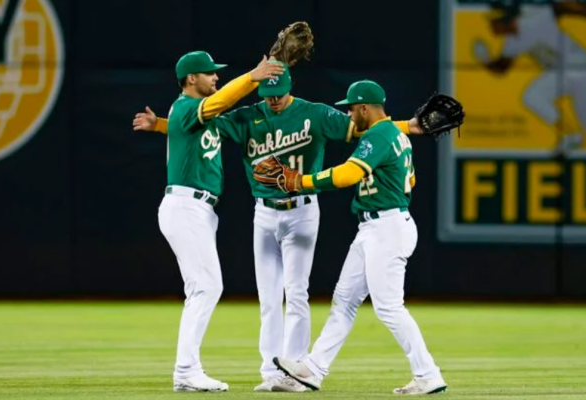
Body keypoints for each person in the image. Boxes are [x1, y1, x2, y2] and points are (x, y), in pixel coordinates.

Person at [134, 66, 426, 392]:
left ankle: (295, 371)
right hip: (264, 213)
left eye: (279, 93)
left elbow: (362, 128)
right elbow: (203, 127)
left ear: (290, 88)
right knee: (269, 297)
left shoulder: (313, 113)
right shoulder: (248, 116)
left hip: (302, 210)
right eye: (267, 94)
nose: (273, 99)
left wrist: (407, 127)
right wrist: (161, 125)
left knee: (296, 292)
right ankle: (271, 372)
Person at [266, 80, 447, 395]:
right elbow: (411, 180)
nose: (348, 114)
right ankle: (312, 370)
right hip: (377, 226)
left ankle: (428, 374)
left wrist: (299, 181)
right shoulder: (396, 135)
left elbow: (348, 175)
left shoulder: (380, 134)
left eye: (351, 108)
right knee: (345, 301)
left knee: (388, 307)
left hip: (386, 228)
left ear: (365, 107)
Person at [156, 50, 283, 392]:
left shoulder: (190, 114)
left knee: (199, 289)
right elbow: (220, 102)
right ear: (191, 78)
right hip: (185, 206)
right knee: (207, 287)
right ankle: (185, 371)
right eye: (209, 73)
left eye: (216, 73)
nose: (215, 77)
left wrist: (157, 125)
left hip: (199, 209)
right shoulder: (186, 107)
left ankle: (187, 370)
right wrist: (252, 77)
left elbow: (189, 131)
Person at [477, 1, 586, 162]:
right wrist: (486, 60)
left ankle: (572, 135)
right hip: (581, 68)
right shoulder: (511, 42)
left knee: (534, 97)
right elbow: (502, 68)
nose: (491, 24)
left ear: (507, 20)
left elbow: (561, 6)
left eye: (495, 20)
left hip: (576, 64)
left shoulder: (533, 21)